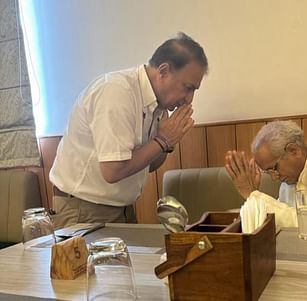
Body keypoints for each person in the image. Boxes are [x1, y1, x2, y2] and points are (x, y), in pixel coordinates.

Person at [50, 32, 208, 228]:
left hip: (121, 207)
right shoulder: (117, 92)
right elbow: (113, 171)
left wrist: (167, 144)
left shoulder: (157, 105)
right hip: (83, 209)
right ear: (164, 71)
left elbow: (148, 165)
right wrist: (162, 140)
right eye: (188, 87)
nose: (189, 99)